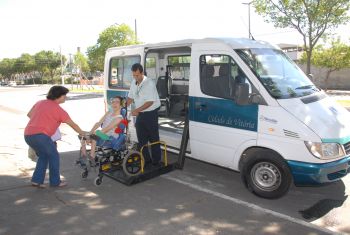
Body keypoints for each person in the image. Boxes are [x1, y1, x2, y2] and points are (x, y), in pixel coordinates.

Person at [24, 86, 86, 188]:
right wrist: (82, 132)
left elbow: (29, 115)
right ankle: (55, 182)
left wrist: (43, 119)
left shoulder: (40, 102)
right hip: (41, 136)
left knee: (44, 156)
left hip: (28, 135)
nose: (66, 97)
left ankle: (36, 180)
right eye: (64, 95)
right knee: (54, 156)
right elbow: (72, 124)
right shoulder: (58, 110)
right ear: (59, 96)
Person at [126, 63, 161, 166]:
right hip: (140, 113)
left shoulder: (149, 83)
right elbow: (131, 97)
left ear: (142, 73)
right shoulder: (134, 82)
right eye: (133, 75)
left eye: (137, 75)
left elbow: (150, 102)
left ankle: (156, 161)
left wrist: (137, 110)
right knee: (141, 138)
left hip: (151, 113)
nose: (135, 77)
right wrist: (123, 105)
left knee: (153, 138)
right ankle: (146, 159)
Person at [79, 96, 125, 164]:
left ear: (121, 105)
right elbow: (98, 123)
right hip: (102, 134)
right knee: (82, 134)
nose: (114, 104)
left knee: (96, 133)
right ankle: (84, 155)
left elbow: (106, 129)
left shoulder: (119, 118)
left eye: (117, 102)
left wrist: (91, 136)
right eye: (113, 102)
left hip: (110, 137)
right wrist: (89, 134)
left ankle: (92, 157)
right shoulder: (108, 113)